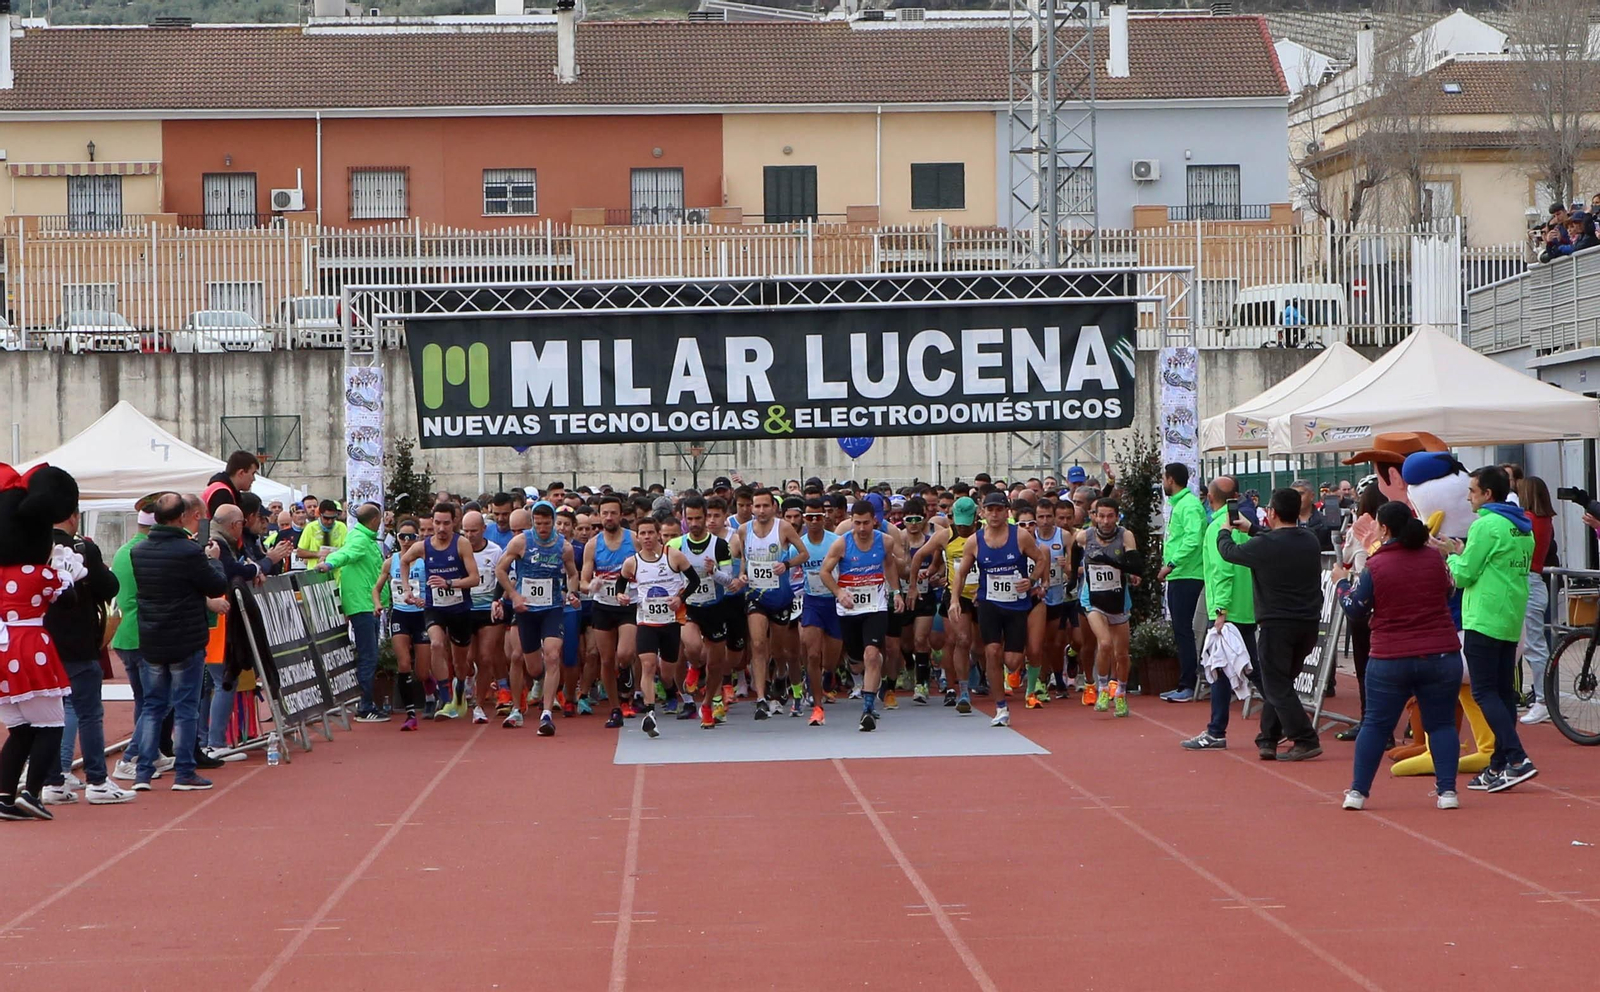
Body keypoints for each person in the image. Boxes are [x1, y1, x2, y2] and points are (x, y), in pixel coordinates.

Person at [1336, 501, 1464, 811]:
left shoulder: (1377, 566)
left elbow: (1355, 609)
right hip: (1440, 653)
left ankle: (1358, 792)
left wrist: (1340, 583)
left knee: (1376, 726)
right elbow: (1448, 591)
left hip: (1391, 655)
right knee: (1443, 724)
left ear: (1385, 528)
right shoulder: (1435, 559)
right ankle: (1447, 792)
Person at [1438, 466, 1538, 793]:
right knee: (1503, 691)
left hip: (1484, 616)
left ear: (1487, 494)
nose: (1468, 496)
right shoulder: (1523, 526)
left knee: (1483, 691)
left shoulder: (1485, 524)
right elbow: (1495, 565)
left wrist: (1452, 555)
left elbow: (1465, 575)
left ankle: (1518, 757)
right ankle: (1499, 764)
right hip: (1510, 614)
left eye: (1472, 490)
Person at [1215, 487, 1324, 761]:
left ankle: (1305, 737)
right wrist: (1251, 528)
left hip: (1277, 624)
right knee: (1282, 681)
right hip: (1308, 623)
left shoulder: (1266, 546)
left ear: (1271, 513)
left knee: (1276, 685)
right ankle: (1268, 738)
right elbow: (1274, 541)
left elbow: (1229, 552)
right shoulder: (1309, 539)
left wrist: (1224, 530)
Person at [131, 493, 230, 792]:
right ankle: (184, 771)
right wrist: (213, 561)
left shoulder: (140, 551)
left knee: (152, 706)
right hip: (185, 638)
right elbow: (215, 585)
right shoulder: (188, 551)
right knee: (187, 708)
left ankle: (143, 772)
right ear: (181, 518)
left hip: (152, 637)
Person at [38, 504, 128, 806]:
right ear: (73, 516)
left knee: (49, 716)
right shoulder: (81, 548)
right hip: (78, 640)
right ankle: (98, 780)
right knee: (89, 712)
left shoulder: (30, 547)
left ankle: (53, 780)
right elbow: (109, 586)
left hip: (42, 643)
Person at [953, 492, 1048, 727]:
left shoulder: (1021, 536)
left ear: (1007, 512)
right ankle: (1001, 708)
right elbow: (962, 572)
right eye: (990, 509)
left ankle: (1014, 666)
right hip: (989, 603)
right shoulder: (975, 541)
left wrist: (1032, 580)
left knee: (1013, 662)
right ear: (982, 513)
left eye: (999, 509)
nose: (994, 514)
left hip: (1016, 604)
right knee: (992, 651)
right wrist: (955, 599)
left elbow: (1042, 559)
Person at [1181, 478, 1260, 751]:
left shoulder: (1218, 527)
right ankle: (1217, 729)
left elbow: (1222, 571)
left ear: (1209, 498)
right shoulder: (1242, 526)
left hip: (1229, 612)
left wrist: (1220, 611)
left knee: (1234, 669)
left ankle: (1217, 731)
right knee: (1231, 669)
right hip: (1245, 608)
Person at [498, 503, 581, 735]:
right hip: (526, 611)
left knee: (553, 655)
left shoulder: (563, 547)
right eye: (538, 523)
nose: (542, 528)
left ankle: (546, 713)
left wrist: (572, 593)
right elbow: (500, 570)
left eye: (547, 523)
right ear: (533, 522)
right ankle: (518, 705)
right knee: (532, 666)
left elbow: (573, 573)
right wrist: (514, 595)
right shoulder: (521, 542)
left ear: (553, 522)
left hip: (553, 608)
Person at [820, 500, 902, 732]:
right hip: (849, 608)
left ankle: (867, 709)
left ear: (874, 520)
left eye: (866, 523)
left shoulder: (885, 541)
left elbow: (889, 565)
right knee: (858, 663)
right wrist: (838, 592)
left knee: (872, 654)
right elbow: (824, 572)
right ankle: (856, 664)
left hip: (875, 606)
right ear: (851, 521)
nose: (862, 528)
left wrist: (896, 592)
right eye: (857, 523)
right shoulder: (841, 544)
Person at [110, 494, 174, 784]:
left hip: (125, 633)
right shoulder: (148, 550)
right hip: (142, 634)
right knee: (157, 702)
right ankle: (132, 756)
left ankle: (148, 752)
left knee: (144, 699)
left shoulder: (125, 549)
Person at [399, 501, 481, 727]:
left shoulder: (461, 544)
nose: (441, 528)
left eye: (446, 523)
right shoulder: (424, 546)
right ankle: (445, 698)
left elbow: (474, 578)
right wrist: (407, 590)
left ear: (454, 522)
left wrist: (449, 583)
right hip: (434, 607)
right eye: (437, 523)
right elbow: (404, 561)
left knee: (460, 660)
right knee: (436, 644)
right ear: (432, 523)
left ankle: (460, 685)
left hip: (460, 608)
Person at [618, 516, 698, 739]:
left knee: (667, 672)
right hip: (646, 621)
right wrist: (620, 595)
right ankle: (650, 712)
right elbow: (621, 581)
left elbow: (694, 581)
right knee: (648, 664)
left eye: (650, 533)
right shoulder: (632, 562)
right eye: (642, 533)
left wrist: (680, 598)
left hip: (671, 621)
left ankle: (673, 690)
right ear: (637, 536)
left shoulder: (673, 556)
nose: (646, 538)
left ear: (658, 535)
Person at [317, 501, 385, 722]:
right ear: (375, 520)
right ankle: (365, 706)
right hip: (362, 604)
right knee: (369, 656)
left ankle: (365, 703)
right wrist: (329, 563)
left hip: (366, 603)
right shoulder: (360, 540)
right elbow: (345, 554)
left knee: (368, 655)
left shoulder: (363, 538)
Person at [1077, 496, 1142, 717]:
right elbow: (1073, 552)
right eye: (1101, 516)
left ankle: (1121, 693)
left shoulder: (1125, 535)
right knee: (1104, 643)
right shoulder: (1084, 536)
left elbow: (1136, 564)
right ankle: (1103, 688)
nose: (1105, 521)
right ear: (1094, 517)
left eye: (1110, 516)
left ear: (1117, 516)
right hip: (1093, 599)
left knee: (1121, 653)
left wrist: (1129, 572)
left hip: (1118, 600)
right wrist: (1073, 573)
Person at [1333, 482, 1387, 744]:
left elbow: (1346, 557)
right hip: (1391, 603)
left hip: (1365, 601)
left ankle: (1371, 721)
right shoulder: (1397, 528)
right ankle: (1409, 722)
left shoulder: (1360, 528)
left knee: (1366, 666)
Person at [582, 494, 639, 729]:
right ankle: (616, 707)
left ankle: (627, 680)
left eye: (613, 513)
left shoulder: (633, 539)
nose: (609, 517)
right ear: (599, 515)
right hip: (603, 605)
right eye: (604, 513)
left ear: (621, 515)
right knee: (606, 660)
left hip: (628, 605)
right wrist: (590, 586)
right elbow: (583, 581)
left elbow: (649, 565)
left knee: (624, 654)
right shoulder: (593, 545)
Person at [1158, 463, 1206, 703]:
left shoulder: (1188, 505)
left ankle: (1188, 683)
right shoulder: (1183, 504)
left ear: (1171, 479)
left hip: (1186, 574)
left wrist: (1171, 564)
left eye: (1164, 479)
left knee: (1184, 631)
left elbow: (1193, 539)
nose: (1162, 483)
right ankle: (1186, 682)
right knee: (1182, 630)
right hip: (1182, 574)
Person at [376, 517, 429, 730]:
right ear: (397, 538)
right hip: (400, 614)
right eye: (402, 537)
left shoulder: (426, 560)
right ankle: (410, 713)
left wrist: (430, 600)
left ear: (418, 538)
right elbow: (376, 587)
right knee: (404, 663)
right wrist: (377, 604)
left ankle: (430, 687)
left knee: (423, 671)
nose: (407, 541)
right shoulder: (391, 561)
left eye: (411, 537)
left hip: (422, 615)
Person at [1517, 476, 1557, 726]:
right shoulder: (1545, 521)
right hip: (1534, 581)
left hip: (1528, 581)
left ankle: (1544, 700)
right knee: (1534, 643)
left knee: (1534, 645)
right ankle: (1543, 698)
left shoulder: (1529, 521)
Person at [203, 450, 259, 518]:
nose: (253, 479)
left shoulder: (221, 489)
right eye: (253, 473)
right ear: (241, 473)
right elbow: (224, 526)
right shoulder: (222, 493)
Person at [296, 499, 347, 569]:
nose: (330, 521)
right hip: (316, 573)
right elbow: (300, 552)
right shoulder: (310, 527)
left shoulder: (342, 527)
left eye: (333, 518)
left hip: (337, 572)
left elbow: (346, 550)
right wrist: (317, 554)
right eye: (326, 518)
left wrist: (333, 555)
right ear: (320, 515)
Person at [1291, 479, 1335, 551]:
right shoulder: (1284, 521)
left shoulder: (1326, 523)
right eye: (1293, 495)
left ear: (1312, 496)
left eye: (1300, 494)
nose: (1296, 498)